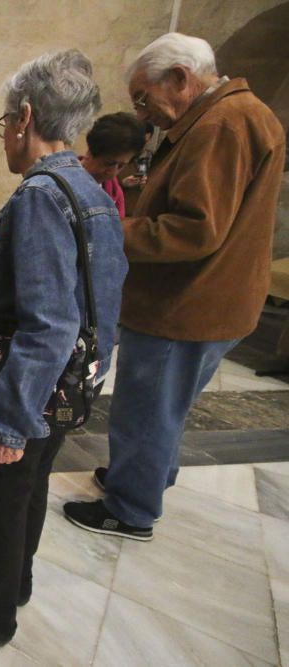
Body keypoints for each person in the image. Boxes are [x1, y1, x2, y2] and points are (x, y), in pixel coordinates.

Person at [0, 50, 127, 646]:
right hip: (66, 381)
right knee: (31, 485)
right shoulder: (88, 189)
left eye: (4, 122)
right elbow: (64, 290)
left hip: (26, 382)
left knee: (3, 490)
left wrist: (8, 423)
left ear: (26, 117)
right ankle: (15, 576)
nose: (3, 135)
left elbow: (48, 320)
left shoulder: (39, 194)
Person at [64, 33, 285, 540]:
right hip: (210, 298)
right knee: (167, 404)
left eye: (143, 97)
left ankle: (131, 508)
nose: (143, 114)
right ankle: (141, 477)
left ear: (181, 79)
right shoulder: (237, 114)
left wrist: (105, 226)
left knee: (147, 406)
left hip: (186, 303)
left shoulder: (222, 124)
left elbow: (193, 228)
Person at [79, 111, 146, 216]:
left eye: (121, 166)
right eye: (109, 163)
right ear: (90, 152)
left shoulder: (115, 193)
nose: (113, 172)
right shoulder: (59, 182)